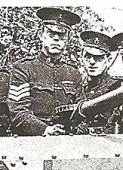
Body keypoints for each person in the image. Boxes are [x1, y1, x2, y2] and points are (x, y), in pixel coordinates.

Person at [8, 7, 82, 136]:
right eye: (51, 34)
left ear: (68, 39)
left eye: (61, 35)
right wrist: (44, 129)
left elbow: (82, 110)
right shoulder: (23, 68)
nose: (56, 39)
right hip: (32, 139)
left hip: (68, 140)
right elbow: (18, 111)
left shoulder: (73, 73)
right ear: (41, 35)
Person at [75, 30, 123, 133]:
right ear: (82, 58)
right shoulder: (77, 87)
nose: (92, 62)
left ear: (108, 60)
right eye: (88, 56)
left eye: (98, 58)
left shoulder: (117, 87)